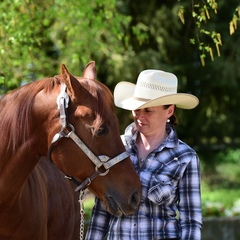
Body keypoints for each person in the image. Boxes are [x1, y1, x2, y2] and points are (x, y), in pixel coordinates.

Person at [85, 69, 202, 240]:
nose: (139, 116)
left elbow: (191, 221)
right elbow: (101, 212)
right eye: (136, 109)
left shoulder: (185, 158)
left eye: (148, 110)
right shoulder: (117, 148)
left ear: (169, 111)